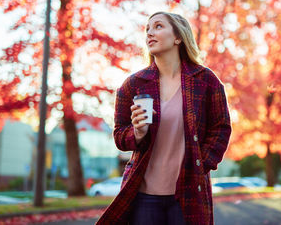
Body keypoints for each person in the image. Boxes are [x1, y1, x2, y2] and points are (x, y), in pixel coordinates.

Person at [96, 12, 231, 225]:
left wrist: (200, 164)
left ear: (178, 37)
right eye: (147, 29)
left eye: (158, 26)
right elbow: (119, 136)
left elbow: (221, 128)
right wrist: (137, 133)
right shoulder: (133, 84)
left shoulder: (206, 81)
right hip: (143, 195)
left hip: (189, 193)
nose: (150, 32)